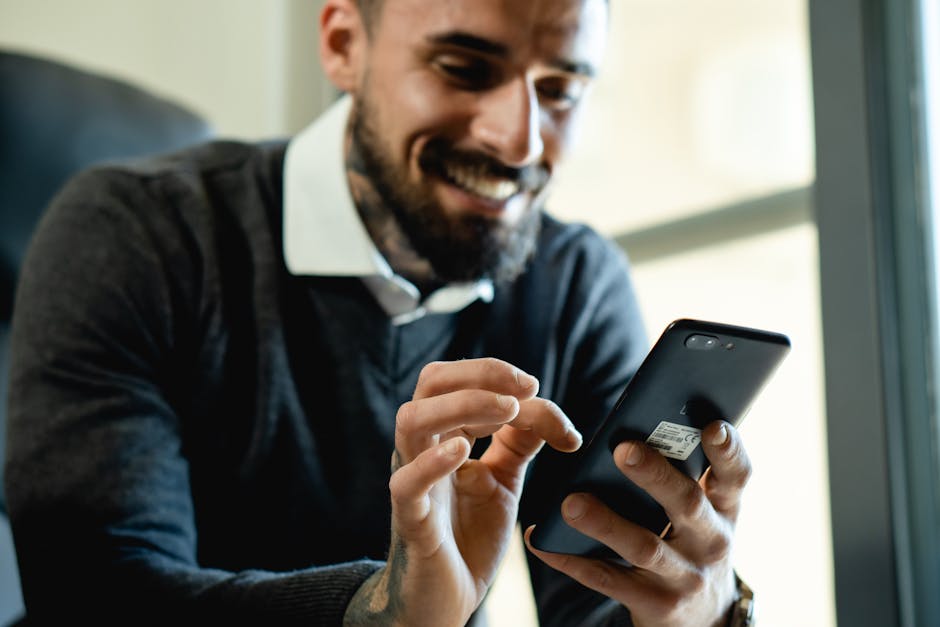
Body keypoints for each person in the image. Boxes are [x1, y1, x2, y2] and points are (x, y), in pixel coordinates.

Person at [5, 0, 755, 625]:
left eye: (560, 90)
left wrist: (705, 607)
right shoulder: (138, 232)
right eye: (465, 68)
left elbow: (599, 601)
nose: (519, 139)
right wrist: (381, 613)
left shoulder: (577, 286)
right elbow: (95, 595)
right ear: (341, 45)